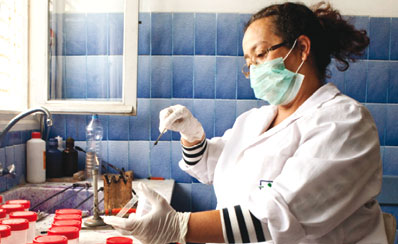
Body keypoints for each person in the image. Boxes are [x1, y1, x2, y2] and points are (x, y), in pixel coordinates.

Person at [104, 2, 389, 243]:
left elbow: (280, 213)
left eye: (261, 54)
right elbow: (214, 167)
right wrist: (192, 136)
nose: (253, 70)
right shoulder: (256, 119)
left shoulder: (345, 122)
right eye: (248, 61)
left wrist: (178, 226)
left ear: (302, 48)